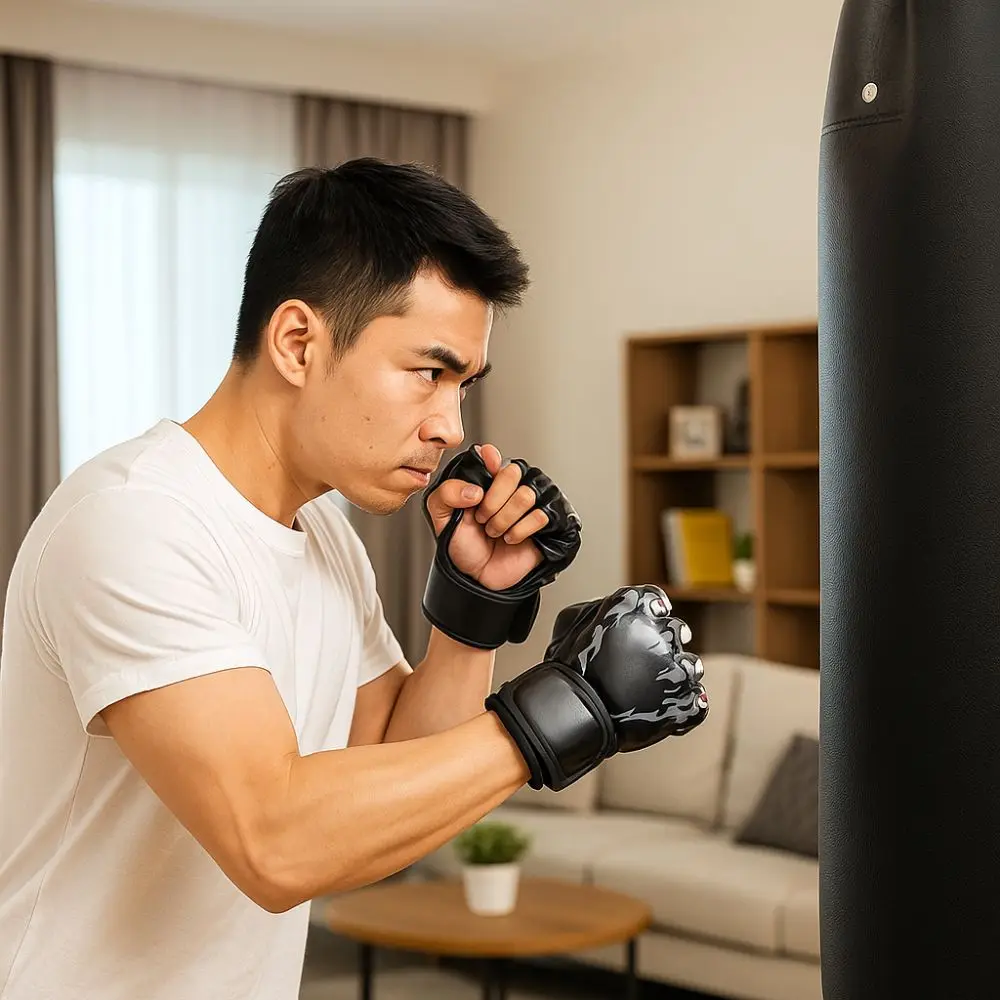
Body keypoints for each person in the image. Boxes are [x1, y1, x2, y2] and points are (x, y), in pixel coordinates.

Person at [0, 157, 708, 1000]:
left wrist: (473, 615)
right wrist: (567, 711)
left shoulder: (326, 537)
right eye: (428, 372)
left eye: (464, 385)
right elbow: (277, 841)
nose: (450, 425)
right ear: (299, 343)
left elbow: (389, 791)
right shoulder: (134, 521)